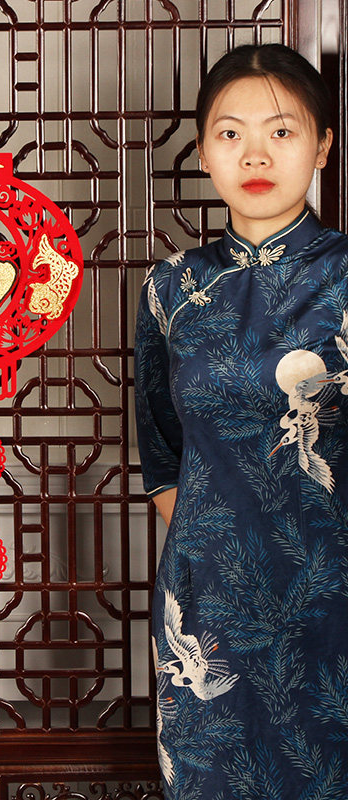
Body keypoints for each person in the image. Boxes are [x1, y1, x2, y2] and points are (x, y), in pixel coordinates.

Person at [134, 43, 348, 799]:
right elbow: (163, 455)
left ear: (322, 145)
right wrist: (217, 553)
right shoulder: (172, 288)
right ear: (203, 150)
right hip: (210, 603)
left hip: (334, 589)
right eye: (230, 134)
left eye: (282, 131)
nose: (255, 154)